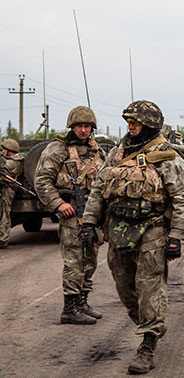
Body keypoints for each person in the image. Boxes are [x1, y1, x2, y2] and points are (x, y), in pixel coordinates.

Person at [80, 100, 184, 374]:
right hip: (119, 230)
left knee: (149, 287)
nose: (131, 127)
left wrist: (176, 236)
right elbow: (98, 189)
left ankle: (148, 344)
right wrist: (88, 222)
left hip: (152, 230)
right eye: (129, 122)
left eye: (137, 122)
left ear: (150, 124)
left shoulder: (167, 156)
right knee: (124, 286)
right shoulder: (116, 154)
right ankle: (150, 324)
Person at [34, 106, 106, 325]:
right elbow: (42, 180)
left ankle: (82, 301)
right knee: (75, 260)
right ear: (71, 126)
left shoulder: (97, 150)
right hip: (72, 212)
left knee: (91, 259)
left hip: (93, 214)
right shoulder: (57, 149)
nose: (83, 130)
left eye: (87, 126)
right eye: (79, 126)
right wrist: (58, 204)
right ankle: (69, 308)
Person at [0, 139, 24, 249]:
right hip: (3, 188)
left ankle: (2, 239)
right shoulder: (9, 160)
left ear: (10, 151)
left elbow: (5, 171)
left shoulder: (14, 161)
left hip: (7, 189)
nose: (2, 151)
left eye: (4, 149)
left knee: (4, 214)